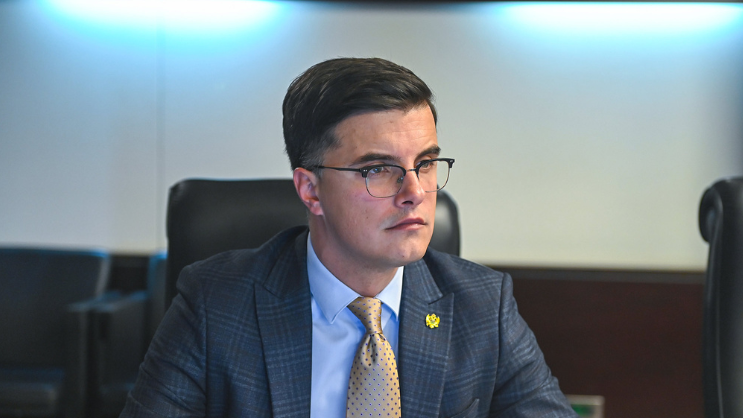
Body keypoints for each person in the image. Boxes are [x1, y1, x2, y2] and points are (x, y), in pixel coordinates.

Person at [120, 57, 577, 418]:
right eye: (378, 169)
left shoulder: (483, 306)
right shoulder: (216, 304)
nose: (415, 193)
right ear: (311, 190)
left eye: (424, 164)